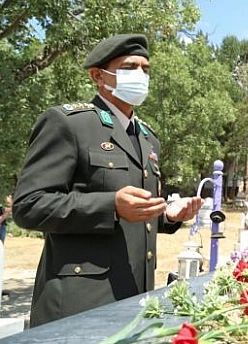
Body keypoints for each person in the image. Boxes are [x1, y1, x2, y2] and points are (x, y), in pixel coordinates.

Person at [12, 34, 204, 327]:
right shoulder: (68, 124)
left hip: (134, 297)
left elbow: (136, 213)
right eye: (129, 68)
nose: (140, 76)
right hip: (79, 304)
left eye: (145, 69)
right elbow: (29, 206)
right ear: (98, 76)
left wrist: (166, 214)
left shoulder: (147, 138)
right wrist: (110, 206)